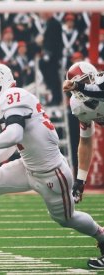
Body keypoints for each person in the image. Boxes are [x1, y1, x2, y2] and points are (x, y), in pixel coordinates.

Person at [0, 64, 104, 266]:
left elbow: (13, 134)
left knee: (66, 219)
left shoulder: (12, 95)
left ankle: (101, 236)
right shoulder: (11, 99)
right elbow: (14, 141)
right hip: (27, 166)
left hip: (51, 173)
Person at [63, 61, 104, 269]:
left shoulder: (101, 82)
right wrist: (80, 179)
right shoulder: (78, 105)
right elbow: (86, 140)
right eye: (78, 83)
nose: (81, 86)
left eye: (85, 81)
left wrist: (78, 85)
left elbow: (100, 91)